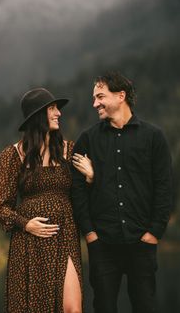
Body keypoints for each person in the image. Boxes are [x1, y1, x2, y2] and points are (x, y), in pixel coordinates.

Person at [71, 71, 172, 313]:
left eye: (100, 97)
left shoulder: (153, 137)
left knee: (145, 306)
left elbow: (164, 187)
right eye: (94, 98)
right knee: (104, 307)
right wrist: (90, 234)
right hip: (102, 245)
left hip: (142, 242)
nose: (95, 103)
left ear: (121, 96)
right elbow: (77, 190)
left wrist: (154, 232)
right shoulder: (87, 139)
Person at [0, 88, 89, 313]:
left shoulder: (69, 150)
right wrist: (26, 224)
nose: (59, 114)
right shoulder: (12, 155)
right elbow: (1, 207)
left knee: (73, 309)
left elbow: (83, 195)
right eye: (52, 109)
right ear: (37, 115)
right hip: (28, 242)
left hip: (65, 236)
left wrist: (91, 177)